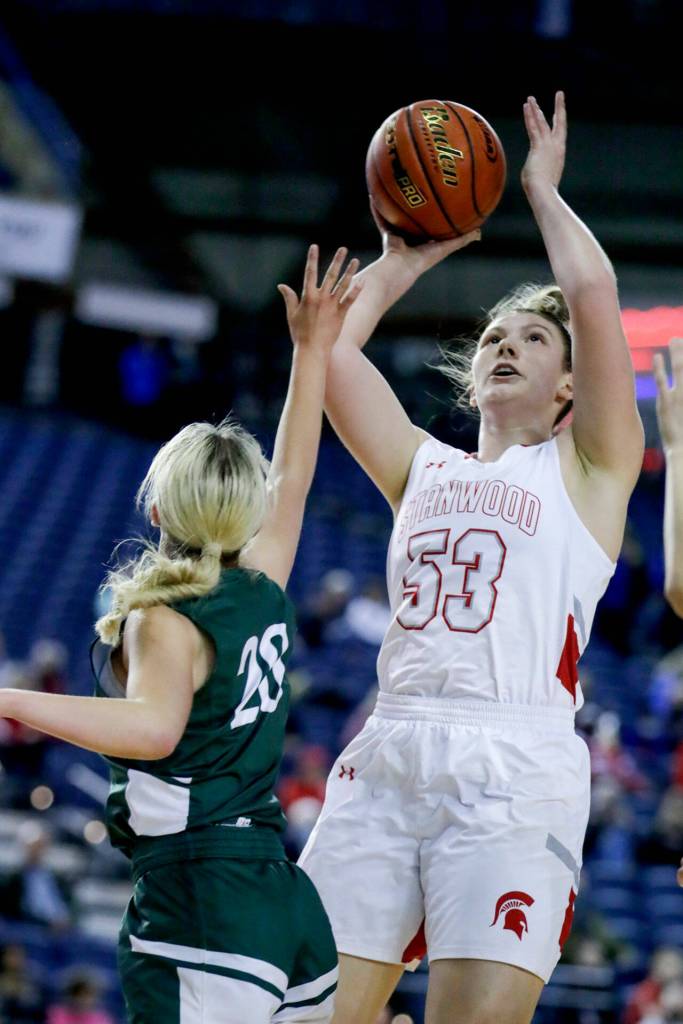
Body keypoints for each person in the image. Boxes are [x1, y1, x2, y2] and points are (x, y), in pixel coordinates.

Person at [298, 93, 644, 1024]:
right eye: (494, 335)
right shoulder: (421, 465)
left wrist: (538, 190)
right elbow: (322, 350)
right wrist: (400, 259)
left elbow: (593, 297)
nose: (504, 344)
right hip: (391, 746)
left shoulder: (591, 471)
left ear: (570, 385)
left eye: (532, 339)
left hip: (515, 763)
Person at [0, 245, 362, 1024]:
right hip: (281, 900)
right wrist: (310, 352)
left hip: (202, 898)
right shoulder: (262, 579)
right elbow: (292, 476)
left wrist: (8, 697)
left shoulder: (165, 618)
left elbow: (154, 728)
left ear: (157, 510)